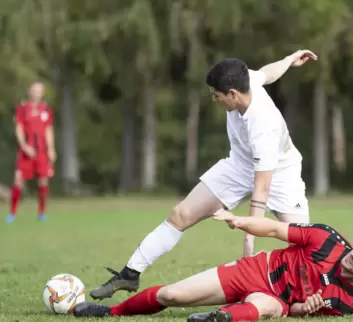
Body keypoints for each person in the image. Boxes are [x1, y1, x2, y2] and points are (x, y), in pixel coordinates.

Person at [90, 50, 318, 299]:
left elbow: (262, 187)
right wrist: (289, 60)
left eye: (216, 96)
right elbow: (268, 73)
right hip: (238, 166)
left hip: (280, 175)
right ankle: (130, 274)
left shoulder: (263, 126)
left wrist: (248, 240)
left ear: (232, 94)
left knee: (305, 242)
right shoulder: (246, 82)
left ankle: (349, 291)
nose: (213, 99)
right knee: (181, 214)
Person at [74, 209, 353, 320]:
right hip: (255, 270)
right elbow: (274, 228)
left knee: (265, 308)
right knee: (172, 296)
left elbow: (298, 311)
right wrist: (239, 221)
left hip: (278, 300)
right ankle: (111, 313)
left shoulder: (345, 302)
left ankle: (217, 319)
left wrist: (306, 307)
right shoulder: (326, 238)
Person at [6, 81, 56, 223]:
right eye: (34, 90)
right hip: (26, 150)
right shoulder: (22, 108)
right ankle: (12, 213)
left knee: (43, 181)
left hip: (41, 151)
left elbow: (48, 130)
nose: (36, 93)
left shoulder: (46, 110)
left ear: (42, 93)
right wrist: (24, 146)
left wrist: (51, 149)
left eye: (39, 91)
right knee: (18, 180)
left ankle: (42, 213)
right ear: (29, 91)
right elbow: (19, 128)